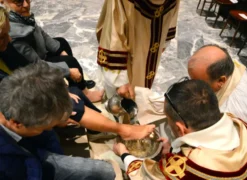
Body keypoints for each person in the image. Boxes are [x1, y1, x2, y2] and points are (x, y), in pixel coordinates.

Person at [0, 6, 155, 141]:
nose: (8, 38)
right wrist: (54, 101)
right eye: (2, 37)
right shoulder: (15, 41)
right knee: (71, 99)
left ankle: (97, 124)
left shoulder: (17, 26)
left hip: (22, 88)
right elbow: (27, 74)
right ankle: (121, 130)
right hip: (17, 113)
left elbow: (24, 73)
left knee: (71, 89)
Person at [113, 79, 247, 179]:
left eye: (169, 121)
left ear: (181, 129)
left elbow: (144, 176)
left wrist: (124, 153)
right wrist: (175, 149)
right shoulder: (240, 125)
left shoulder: (187, 166)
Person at [0, 62, 116, 180]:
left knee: (106, 171)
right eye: (45, 127)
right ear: (17, 123)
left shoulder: (15, 98)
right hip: (27, 171)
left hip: (34, 158)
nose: (50, 128)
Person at [0, 0, 103, 102]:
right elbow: (34, 65)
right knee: (70, 62)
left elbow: (40, 32)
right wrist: (67, 70)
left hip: (37, 52)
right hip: (33, 65)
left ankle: (76, 83)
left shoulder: (18, 15)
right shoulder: (13, 33)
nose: (26, 5)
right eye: (19, 2)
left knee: (61, 43)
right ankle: (85, 93)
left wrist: (59, 50)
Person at [96, 0, 180, 99]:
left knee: (142, 83)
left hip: (151, 43)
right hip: (126, 49)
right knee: (121, 96)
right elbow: (114, 31)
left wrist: (165, 40)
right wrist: (120, 79)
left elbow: (173, 12)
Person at [188, 44, 247, 127]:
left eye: (198, 83)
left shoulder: (229, 115)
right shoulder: (225, 65)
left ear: (221, 81)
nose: (191, 85)